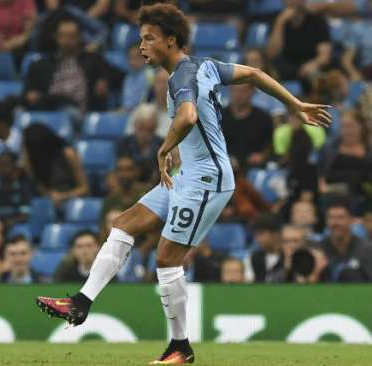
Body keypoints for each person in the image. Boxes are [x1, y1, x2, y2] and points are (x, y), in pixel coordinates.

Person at [35, 3, 331, 364]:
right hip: (187, 174)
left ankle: (180, 348)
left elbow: (188, 116)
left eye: (149, 38)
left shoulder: (180, 76)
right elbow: (253, 73)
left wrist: (165, 147)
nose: (141, 45)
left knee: (167, 258)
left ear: (170, 41)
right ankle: (80, 303)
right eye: (140, 38)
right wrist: (295, 103)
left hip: (206, 180)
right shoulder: (205, 66)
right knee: (125, 224)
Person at [24, 17, 121, 111]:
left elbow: (119, 76)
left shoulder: (93, 60)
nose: (67, 41)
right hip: (51, 106)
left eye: (71, 37)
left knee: (68, 111)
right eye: (63, 36)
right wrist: (30, 95)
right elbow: (28, 91)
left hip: (79, 110)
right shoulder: (41, 65)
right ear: (56, 37)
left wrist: (104, 81)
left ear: (80, 37)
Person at [22, 124, 88, 208]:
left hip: (72, 203)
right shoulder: (32, 162)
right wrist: (49, 197)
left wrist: (63, 196)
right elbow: (40, 187)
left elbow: (85, 189)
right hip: (49, 205)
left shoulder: (68, 154)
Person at [266, 0, 331, 82]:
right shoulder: (276, 20)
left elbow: (324, 56)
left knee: (316, 74)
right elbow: (272, 54)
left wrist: (314, 64)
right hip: (285, 67)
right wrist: (280, 23)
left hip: (309, 65)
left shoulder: (317, 21)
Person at [221, 83, 273, 169]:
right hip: (225, 167)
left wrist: (262, 156)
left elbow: (269, 145)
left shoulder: (263, 118)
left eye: (243, 91)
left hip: (254, 168)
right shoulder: (219, 117)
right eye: (235, 91)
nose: (239, 95)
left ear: (252, 92)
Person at [320, 200, 372, 282]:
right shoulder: (318, 249)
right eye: (331, 217)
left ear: (351, 220)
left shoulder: (367, 249)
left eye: (340, 217)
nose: (335, 222)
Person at [0, 151, 32, 229]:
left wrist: (9, 222)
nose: (2, 169)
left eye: (6, 165)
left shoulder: (22, 190)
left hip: (16, 227)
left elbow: (25, 215)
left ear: (15, 168)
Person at [117, 104, 164, 185]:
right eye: (141, 128)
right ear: (135, 125)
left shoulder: (162, 144)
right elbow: (121, 169)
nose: (145, 134)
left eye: (149, 130)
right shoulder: (124, 143)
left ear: (155, 127)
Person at [243, 214, 285, 283]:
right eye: (256, 234)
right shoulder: (253, 257)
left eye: (261, 234)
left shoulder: (288, 257)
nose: (257, 239)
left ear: (276, 234)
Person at [121, 43, 155, 110]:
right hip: (127, 112)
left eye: (135, 57)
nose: (132, 61)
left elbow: (144, 101)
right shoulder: (128, 77)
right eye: (130, 58)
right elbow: (126, 102)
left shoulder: (149, 75)